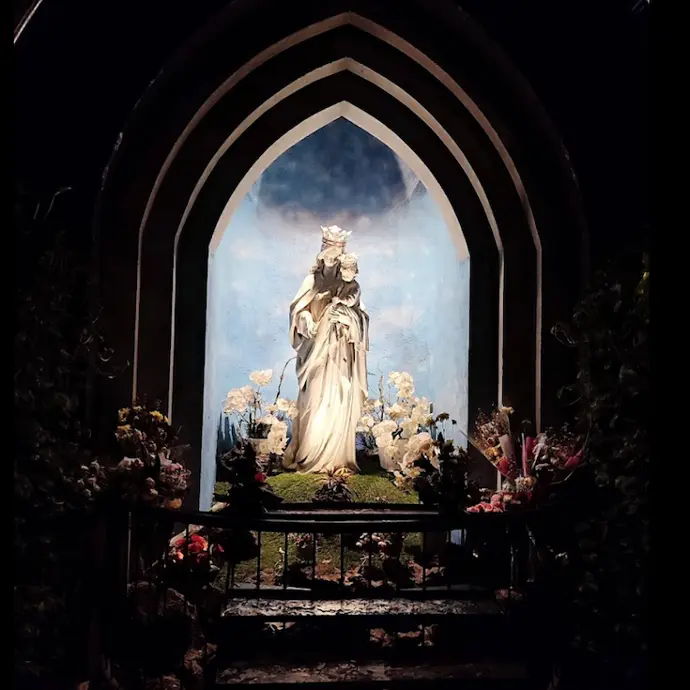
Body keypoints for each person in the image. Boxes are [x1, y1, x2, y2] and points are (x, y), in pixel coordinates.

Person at [283, 227, 369, 473]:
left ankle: (337, 458)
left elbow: (361, 317)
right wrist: (305, 320)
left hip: (340, 354)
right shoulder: (311, 281)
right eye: (328, 256)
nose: (331, 261)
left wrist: (347, 319)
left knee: (339, 399)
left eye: (336, 256)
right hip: (315, 352)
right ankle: (311, 455)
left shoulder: (348, 285)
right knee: (315, 401)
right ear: (321, 256)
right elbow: (297, 311)